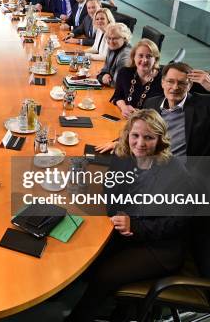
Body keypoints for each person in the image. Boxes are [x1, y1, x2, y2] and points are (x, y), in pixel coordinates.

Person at [66, 109, 193, 322]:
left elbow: (177, 224)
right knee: (84, 256)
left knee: (103, 276)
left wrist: (135, 226)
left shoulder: (176, 173)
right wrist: (117, 212)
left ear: (161, 140)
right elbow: (111, 187)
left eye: (149, 137)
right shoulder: (124, 155)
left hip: (161, 246)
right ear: (127, 135)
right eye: (135, 135)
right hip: (129, 229)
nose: (140, 143)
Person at [111, 39, 163, 118]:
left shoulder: (164, 78)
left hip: (151, 122)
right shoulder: (124, 73)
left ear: (155, 59)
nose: (144, 60)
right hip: (127, 119)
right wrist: (124, 108)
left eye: (149, 56)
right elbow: (118, 96)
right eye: (140, 55)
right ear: (133, 57)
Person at [96, 22, 132, 87]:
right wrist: (103, 76)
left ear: (124, 38)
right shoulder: (112, 48)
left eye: (115, 38)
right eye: (109, 38)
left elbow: (117, 83)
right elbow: (105, 69)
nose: (111, 42)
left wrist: (101, 77)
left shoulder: (126, 55)